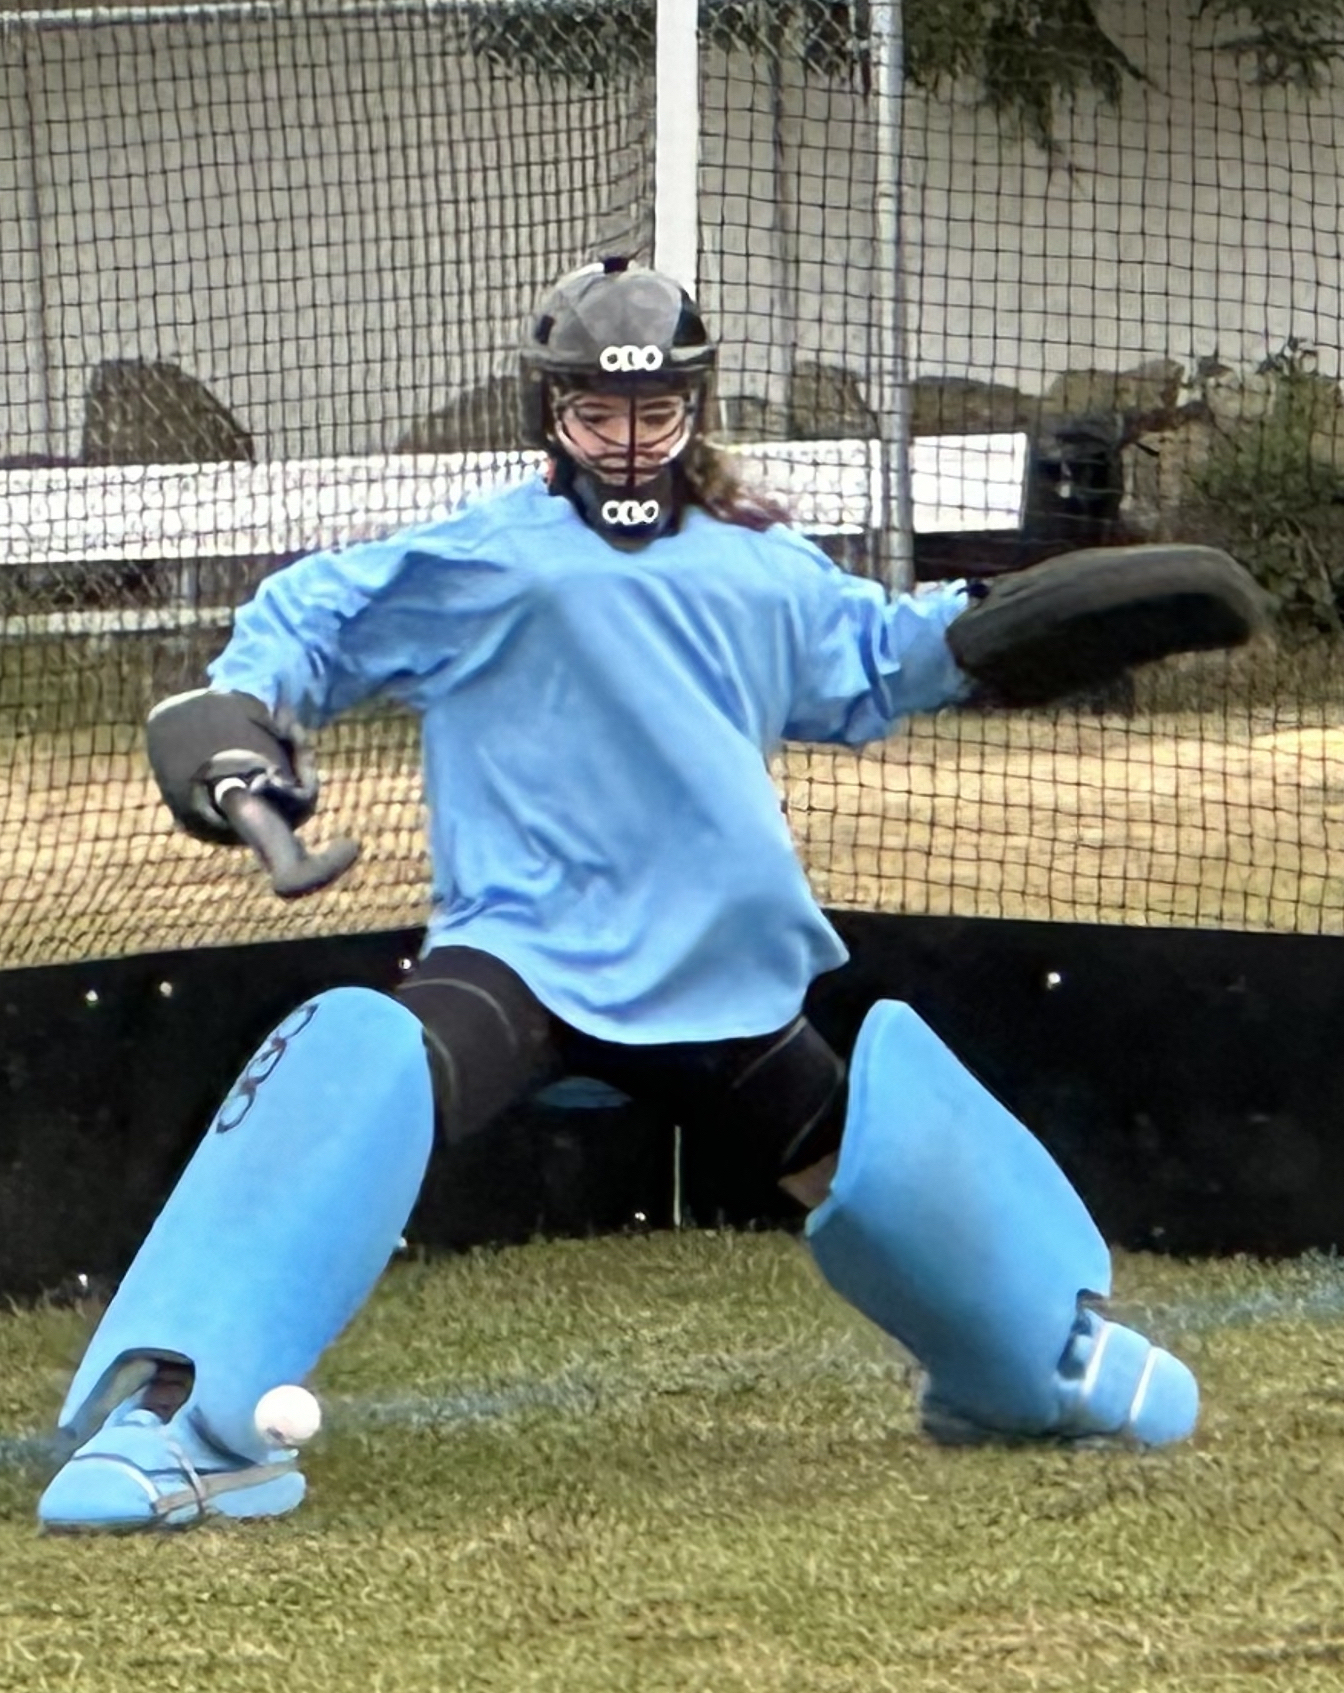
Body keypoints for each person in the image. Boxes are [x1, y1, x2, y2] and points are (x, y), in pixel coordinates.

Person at [38, 257, 1262, 1532]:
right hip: (519, 959)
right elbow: (311, 623)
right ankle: (180, 1412)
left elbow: (884, 658)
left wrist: (1024, 623)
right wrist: (239, 724)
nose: (627, 440)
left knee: (867, 1158)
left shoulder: (761, 569)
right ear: (550, 413)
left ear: (693, 409)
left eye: (654, 411)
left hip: (714, 978)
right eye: (597, 412)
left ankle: (1031, 1364)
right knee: (358, 1060)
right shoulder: (487, 559)